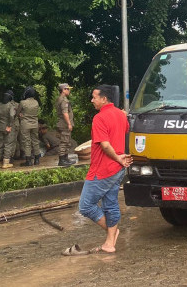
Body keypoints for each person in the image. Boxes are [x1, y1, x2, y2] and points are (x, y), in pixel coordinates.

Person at [68, 85, 132, 256]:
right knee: (110, 203)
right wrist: (119, 159)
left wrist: (117, 157)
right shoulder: (121, 114)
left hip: (103, 169)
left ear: (104, 99)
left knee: (85, 205)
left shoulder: (99, 118)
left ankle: (112, 232)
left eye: (94, 97)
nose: (92, 100)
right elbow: (125, 130)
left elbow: (105, 145)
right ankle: (110, 243)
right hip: (118, 168)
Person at [17, 87, 41, 166]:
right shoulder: (36, 102)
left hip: (25, 124)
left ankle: (28, 161)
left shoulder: (22, 102)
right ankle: (37, 159)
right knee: (35, 141)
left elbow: (18, 113)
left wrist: (21, 115)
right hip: (35, 124)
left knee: (27, 142)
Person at [54, 83, 76, 166]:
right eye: (68, 89)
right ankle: (62, 160)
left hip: (63, 124)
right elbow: (65, 113)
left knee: (67, 141)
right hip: (64, 124)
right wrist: (69, 123)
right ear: (63, 90)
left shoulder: (61, 99)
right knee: (64, 142)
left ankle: (65, 159)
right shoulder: (63, 100)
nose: (69, 91)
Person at [0, 91, 17, 169]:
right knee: (8, 144)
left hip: (0, 127)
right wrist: (9, 126)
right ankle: (5, 163)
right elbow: (12, 116)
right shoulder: (10, 105)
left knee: (0, 144)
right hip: (7, 127)